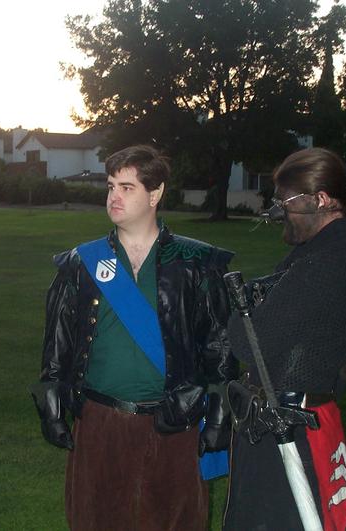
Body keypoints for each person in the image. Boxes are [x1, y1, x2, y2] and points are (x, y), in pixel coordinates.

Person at [32, 144, 237, 531]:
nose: (114, 196)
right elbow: (58, 340)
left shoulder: (196, 263)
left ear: (155, 193)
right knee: (96, 520)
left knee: (176, 521)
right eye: (111, 186)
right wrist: (52, 399)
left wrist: (219, 414)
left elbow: (219, 343)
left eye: (127, 188)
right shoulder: (81, 262)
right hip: (100, 419)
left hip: (175, 418)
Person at [222, 147, 346, 531]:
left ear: (320, 200)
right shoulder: (326, 254)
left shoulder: (328, 263)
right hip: (285, 424)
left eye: (285, 202)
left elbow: (247, 342)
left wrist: (243, 308)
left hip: (290, 431)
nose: (278, 211)